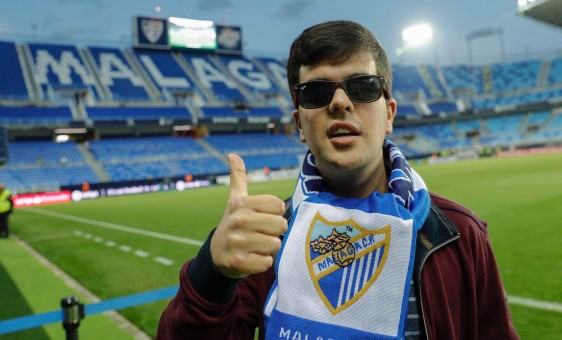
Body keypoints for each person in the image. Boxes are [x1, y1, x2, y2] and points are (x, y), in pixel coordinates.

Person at [156, 20, 518, 339]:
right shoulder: (265, 241)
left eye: (362, 87)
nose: (340, 102)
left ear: (389, 114)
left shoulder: (459, 233)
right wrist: (212, 274)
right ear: (299, 124)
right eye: (316, 92)